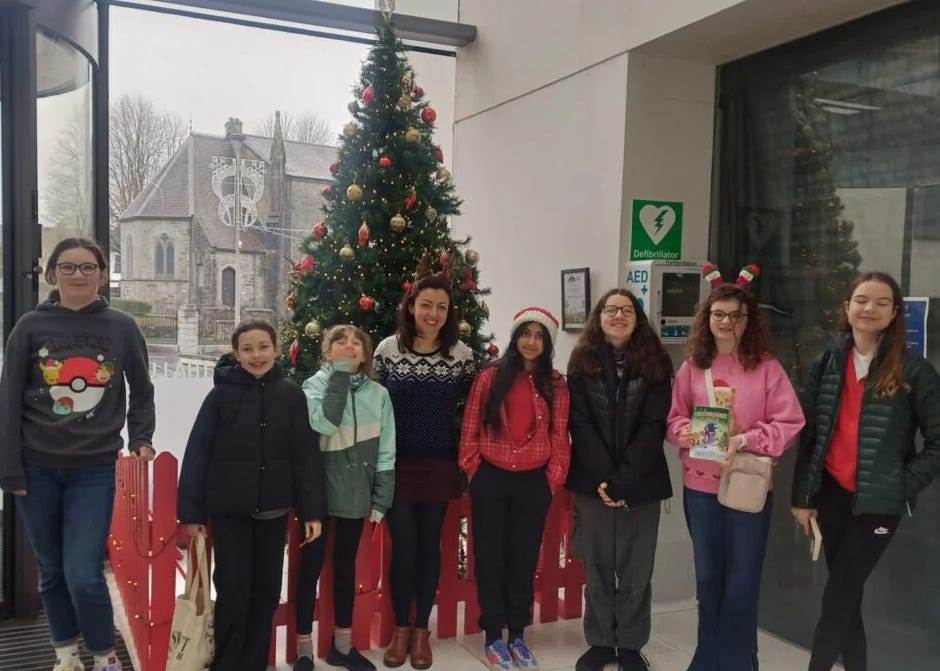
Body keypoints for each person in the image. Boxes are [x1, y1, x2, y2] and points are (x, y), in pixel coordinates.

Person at [0, 237, 155, 671]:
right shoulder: (29, 327)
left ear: (102, 275)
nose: (78, 275)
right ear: (52, 274)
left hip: (93, 470)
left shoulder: (122, 327)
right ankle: (66, 656)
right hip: (36, 468)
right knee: (50, 571)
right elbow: (9, 398)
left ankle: (105, 656)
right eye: (68, 267)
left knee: (84, 573)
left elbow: (142, 392)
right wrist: (10, 469)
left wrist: (142, 437)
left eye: (88, 268)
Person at [791, 272, 940, 671]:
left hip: (878, 504)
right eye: (861, 300)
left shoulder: (915, 370)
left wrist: (899, 485)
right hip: (831, 496)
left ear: (894, 313)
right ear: (847, 308)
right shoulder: (827, 360)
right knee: (848, 597)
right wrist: (802, 498)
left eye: (880, 302)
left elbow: (938, 442)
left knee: (839, 593)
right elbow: (810, 434)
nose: (869, 308)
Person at [666, 270, 804, 671]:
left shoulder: (766, 367)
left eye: (736, 315)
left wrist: (744, 439)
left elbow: (789, 422)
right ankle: (707, 660)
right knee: (709, 579)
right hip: (701, 487)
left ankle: (740, 662)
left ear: (748, 320)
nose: (726, 322)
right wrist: (686, 432)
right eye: (718, 314)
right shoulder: (693, 367)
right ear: (706, 318)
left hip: (747, 485)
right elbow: (673, 419)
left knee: (742, 582)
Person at [177, 319, 326, 671]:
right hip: (232, 512)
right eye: (247, 348)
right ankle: (228, 664)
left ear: (276, 349)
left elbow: (304, 454)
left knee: (266, 593)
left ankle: (256, 662)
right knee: (233, 591)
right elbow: (198, 451)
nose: (256, 355)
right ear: (237, 353)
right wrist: (193, 513)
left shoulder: (290, 394)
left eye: (263, 347)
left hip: (273, 512)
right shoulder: (220, 395)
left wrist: (313, 511)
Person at [565, 290, 673, 671]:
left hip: (641, 485)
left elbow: (653, 425)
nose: (618, 315)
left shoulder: (657, 362)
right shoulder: (580, 362)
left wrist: (623, 481)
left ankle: (629, 645)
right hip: (592, 483)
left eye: (627, 310)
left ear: (638, 318)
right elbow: (580, 423)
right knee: (595, 565)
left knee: (635, 568)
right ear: (599, 317)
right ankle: (598, 642)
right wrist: (605, 480)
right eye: (611, 309)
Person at [459, 307, 571, 671]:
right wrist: (474, 469)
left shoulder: (556, 384)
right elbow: (471, 426)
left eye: (540, 336)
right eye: (526, 333)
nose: (531, 342)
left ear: (548, 342)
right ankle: (493, 634)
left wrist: (552, 478)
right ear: (515, 336)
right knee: (490, 558)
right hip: (491, 477)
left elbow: (560, 435)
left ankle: (518, 634)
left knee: (523, 559)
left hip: (533, 482)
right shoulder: (490, 378)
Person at [373, 274, 475, 669]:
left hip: (439, 465)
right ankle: (400, 630)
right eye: (426, 305)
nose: (433, 314)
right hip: (396, 465)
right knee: (404, 548)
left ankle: (421, 632)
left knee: (429, 547)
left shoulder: (461, 355)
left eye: (441, 307)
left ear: (448, 313)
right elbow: (372, 406)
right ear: (412, 306)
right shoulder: (387, 350)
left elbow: (472, 411)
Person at [294, 325, 396, 671]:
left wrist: (381, 497)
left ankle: (342, 644)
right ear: (327, 352)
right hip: (319, 493)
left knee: (344, 569)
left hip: (356, 491)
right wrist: (338, 375)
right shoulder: (312, 387)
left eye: (357, 344)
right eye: (341, 342)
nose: (350, 347)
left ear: (366, 355)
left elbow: (386, 450)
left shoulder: (379, 395)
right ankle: (304, 648)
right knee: (310, 570)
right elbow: (324, 424)